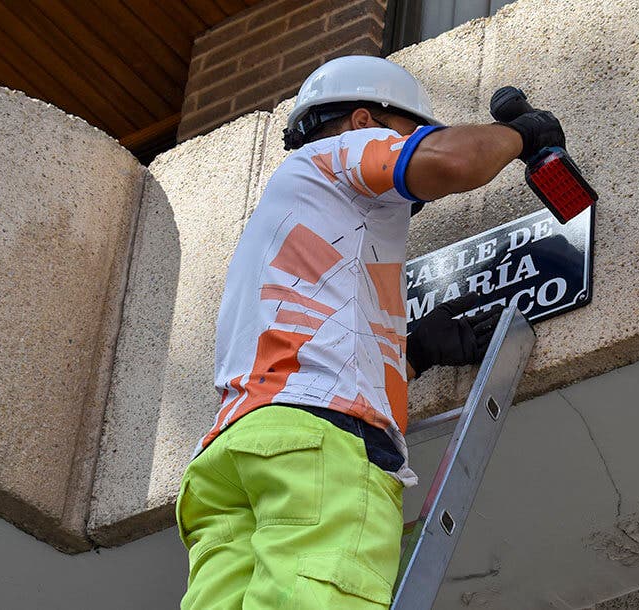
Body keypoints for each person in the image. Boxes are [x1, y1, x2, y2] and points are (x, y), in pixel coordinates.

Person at [175, 55, 565, 609]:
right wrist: (522, 135)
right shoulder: (336, 154)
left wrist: (417, 353)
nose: (412, 150)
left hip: (233, 454)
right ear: (363, 123)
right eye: (410, 134)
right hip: (313, 447)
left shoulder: (296, 222)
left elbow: (316, 350)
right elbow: (454, 161)